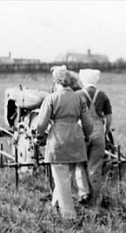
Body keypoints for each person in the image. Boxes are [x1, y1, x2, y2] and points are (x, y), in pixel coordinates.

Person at [36, 65, 94, 219]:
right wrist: (86, 136)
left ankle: (69, 217)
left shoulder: (52, 98)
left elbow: (41, 123)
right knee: (65, 176)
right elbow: (88, 124)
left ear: (56, 81)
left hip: (58, 140)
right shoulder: (79, 98)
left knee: (61, 179)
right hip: (76, 139)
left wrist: (38, 136)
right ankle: (55, 204)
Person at [77, 69, 112, 204]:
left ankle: (83, 192)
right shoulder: (103, 95)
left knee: (79, 163)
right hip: (98, 131)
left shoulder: (78, 94)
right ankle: (95, 200)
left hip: (82, 130)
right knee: (95, 166)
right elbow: (109, 119)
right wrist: (105, 131)